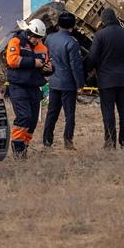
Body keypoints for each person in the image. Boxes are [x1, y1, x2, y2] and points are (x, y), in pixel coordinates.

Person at [86, 8, 124, 149]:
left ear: (103, 20)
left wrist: (85, 70)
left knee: (108, 112)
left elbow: (92, 58)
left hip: (106, 81)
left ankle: (110, 143)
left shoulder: (100, 36)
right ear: (115, 18)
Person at [4, 19, 51, 157]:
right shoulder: (16, 42)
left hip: (34, 87)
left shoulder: (43, 48)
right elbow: (12, 60)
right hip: (18, 86)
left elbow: (45, 65)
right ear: (29, 33)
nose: (37, 40)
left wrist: (49, 69)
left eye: (39, 38)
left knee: (33, 121)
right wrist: (32, 62)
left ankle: (25, 145)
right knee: (24, 117)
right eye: (35, 37)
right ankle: (18, 148)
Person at [43, 12, 86, 149]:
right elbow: (76, 66)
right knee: (69, 114)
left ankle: (47, 140)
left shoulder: (49, 38)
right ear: (72, 26)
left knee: (52, 113)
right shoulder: (72, 43)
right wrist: (80, 84)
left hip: (54, 81)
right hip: (68, 84)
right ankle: (68, 140)